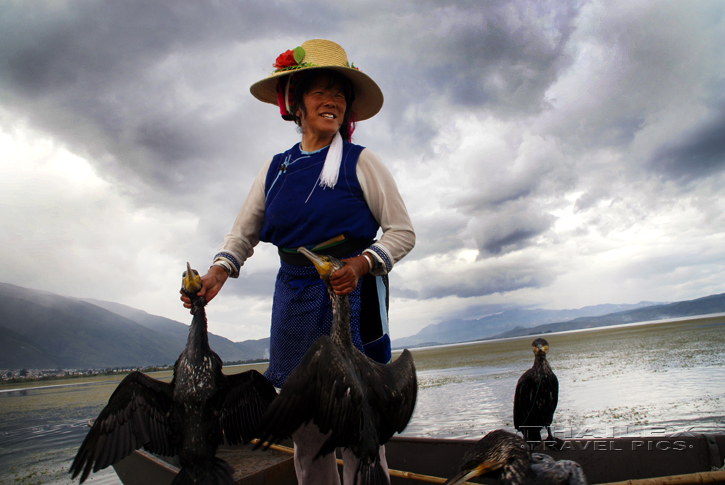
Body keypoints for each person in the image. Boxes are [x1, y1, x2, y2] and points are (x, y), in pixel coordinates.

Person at [181, 39, 415, 484]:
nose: (333, 101)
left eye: (341, 94)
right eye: (320, 92)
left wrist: (363, 264)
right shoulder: (275, 169)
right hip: (293, 302)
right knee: (306, 435)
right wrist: (216, 272)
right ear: (295, 104)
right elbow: (242, 235)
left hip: (352, 299)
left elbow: (402, 233)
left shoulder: (362, 163)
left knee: (359, 430)